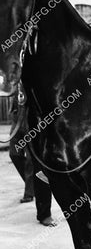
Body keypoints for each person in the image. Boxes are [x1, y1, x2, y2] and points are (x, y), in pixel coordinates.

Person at [9, 95, 55, 226]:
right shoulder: (15, 78)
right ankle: (32, 186)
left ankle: (44, 212)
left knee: (36, 166)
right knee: (14, 154)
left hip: (35, 121)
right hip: (17, 119)